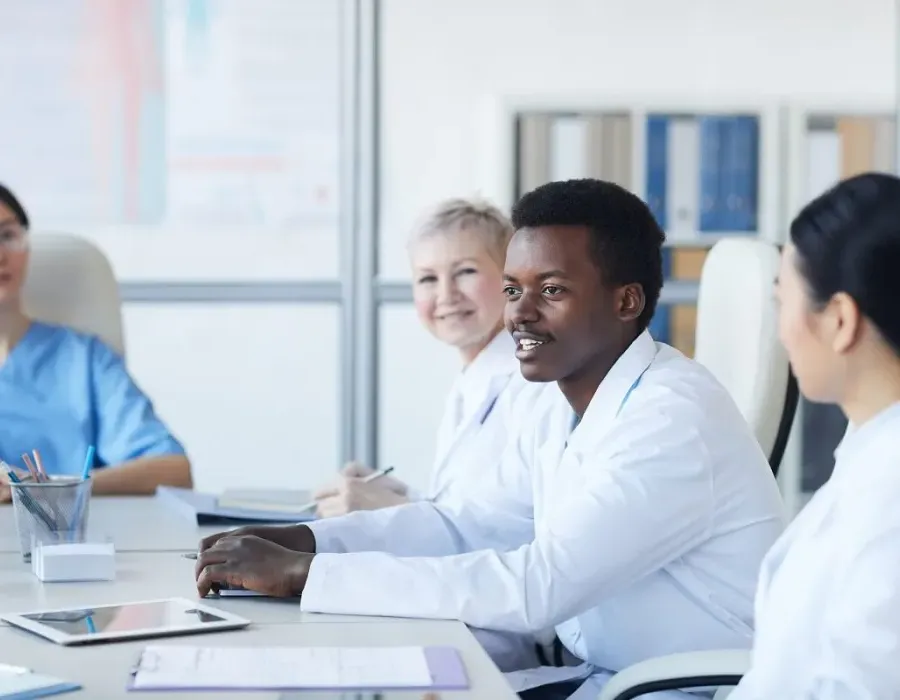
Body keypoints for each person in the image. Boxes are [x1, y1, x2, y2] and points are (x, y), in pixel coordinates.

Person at [194, 179, 786, 698]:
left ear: (626, 300)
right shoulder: (576, 401)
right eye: (512, 290)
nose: (519, 314)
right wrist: (310, 540)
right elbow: (468, 522)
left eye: (550, 290)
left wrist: (302, 575)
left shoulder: (668, 418)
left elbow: (537, 586)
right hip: (606, 672)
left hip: (677, 689)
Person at [724, 172, 900, 698]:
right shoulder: (870, 451)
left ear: (841, 320)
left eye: (783, 303)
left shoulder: (888, 498)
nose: (780, 331)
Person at [313, 198, 543, 518]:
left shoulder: (536, 384)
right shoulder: (473, 377)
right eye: (428, 279)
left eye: (465, 272)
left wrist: (398, 510)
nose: (446, 295)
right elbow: (471, 505)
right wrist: (399, 496)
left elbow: (520, 528)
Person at [0, 183, 192, 500]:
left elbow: (174, 470)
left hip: (71, 540)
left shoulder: (83, 359)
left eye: (7, 236)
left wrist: (45, 487)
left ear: (27, 248)